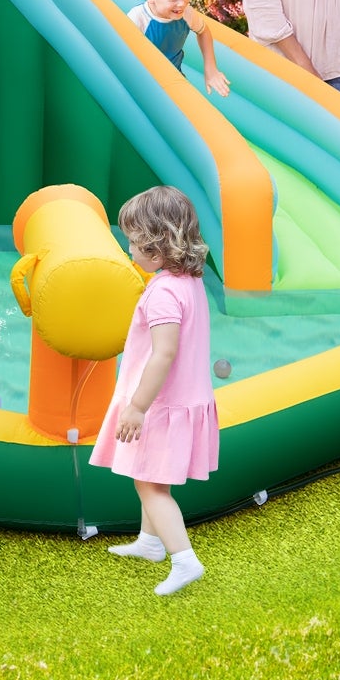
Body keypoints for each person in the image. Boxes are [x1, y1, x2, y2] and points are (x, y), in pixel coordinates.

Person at [91, 186, 219, 597]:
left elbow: (164, 354)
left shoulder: (164, 290)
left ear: (159, 247)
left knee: (149, 484)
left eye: (134, 242)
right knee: (149, 475)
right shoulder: (188, 280)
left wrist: (136, 407)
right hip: (183, 400)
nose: (128, 249)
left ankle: (185, 559)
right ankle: (150, 543)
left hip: (161, 404)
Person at [128, 0, 231, 98]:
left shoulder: (186, 14)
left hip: (174, 80)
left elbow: (204, 32)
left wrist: (211, 68)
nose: (182, 3)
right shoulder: (138, 18)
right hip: (144, 83)